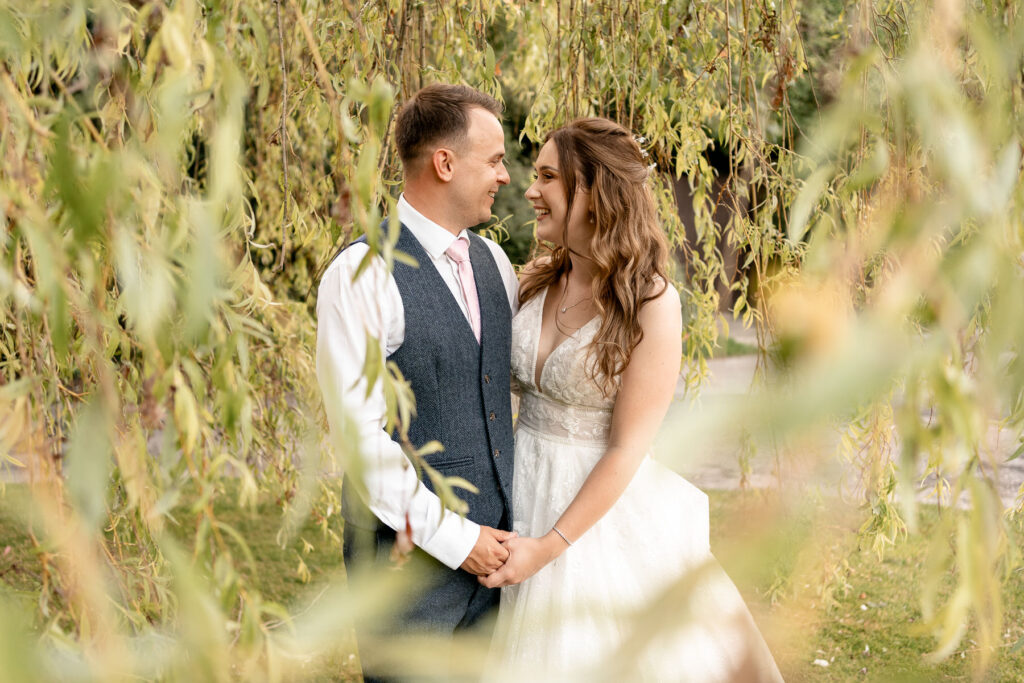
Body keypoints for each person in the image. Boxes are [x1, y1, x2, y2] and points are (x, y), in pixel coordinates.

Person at [482, 118, 785, 681]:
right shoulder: (536, 281)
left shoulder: (651, 302)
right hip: (519, 487)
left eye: (548, 177)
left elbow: (626, 448)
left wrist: (547, 548)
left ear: (593, 193)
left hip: (592, 517)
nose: (529, 189)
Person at [316, 84, 519, 681]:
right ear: (445, 163)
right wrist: (458, 542)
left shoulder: (495, 264)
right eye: (495, 160)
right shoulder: (360, 274)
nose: (506, 177)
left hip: (499, 565)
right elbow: (361, 441)